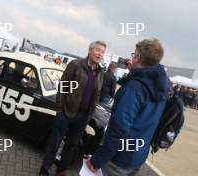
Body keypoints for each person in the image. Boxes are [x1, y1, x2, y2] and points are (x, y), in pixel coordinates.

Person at [85, 38, 171, 176]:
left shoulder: (134, 88)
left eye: (134, 55)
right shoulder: (163, 87)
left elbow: (118, 129)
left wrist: (97, 160)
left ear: (138, 57)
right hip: (139, 155)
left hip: (118, 159)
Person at [39, 41, 106, 176]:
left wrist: (89, 114)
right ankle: (44, 171)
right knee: (54, 144)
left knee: (71, 146)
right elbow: (63, 86)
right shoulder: (76, 65)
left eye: (103, 52)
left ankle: (61, 170)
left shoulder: (100, 72)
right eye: (98, 50)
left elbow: (96, 95)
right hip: (66, 112)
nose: (100, 54)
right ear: (90, 50)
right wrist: (60, 110)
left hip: (83, 116)